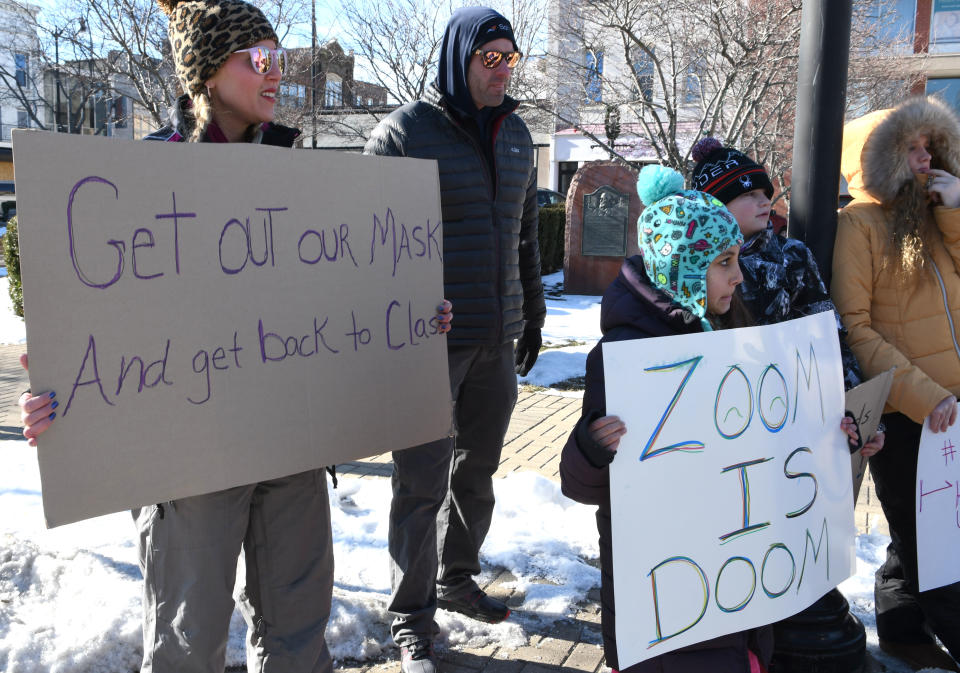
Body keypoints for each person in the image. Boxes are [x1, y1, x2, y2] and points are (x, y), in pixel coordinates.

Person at [17, 2, 454, 671]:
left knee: (299, 635)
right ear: (206, 72)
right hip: (190, 465)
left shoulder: (297, 177)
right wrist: (58, 398)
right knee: (187, 644)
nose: (277, 74)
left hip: (291, 451)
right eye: (259, 60)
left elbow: (333, 304)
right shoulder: (138, 185)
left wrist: (408, 321)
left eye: (280, 59)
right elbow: (102, 334)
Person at [559, 165, 861, 673]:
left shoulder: (739, 338)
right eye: (724, 263)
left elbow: (769, 447)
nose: (739, 276)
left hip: (736, 591)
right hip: (668, 603)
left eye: (737, 260)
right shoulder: (627, 355)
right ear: (683, 267)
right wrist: (592, 447)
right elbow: (579, 484)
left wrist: (836, 441)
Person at [363, 7, 546, 673]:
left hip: (498, 338)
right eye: (488, 58)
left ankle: (456, 577)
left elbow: (525, 235)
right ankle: (411, 619)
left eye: (509, 59)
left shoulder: (519, 136)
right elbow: (362, 239)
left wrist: (534, 311)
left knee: (479, 470)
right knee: (419, 482)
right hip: (426, 345)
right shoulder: (406, 133)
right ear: (459, 59)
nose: (501, 70)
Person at [833, 95, 960, 671]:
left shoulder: (932, 211)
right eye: (910, 147)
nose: (924, 156)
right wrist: (925, 396)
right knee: (932, 540)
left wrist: (955, 210)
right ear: (878, 157)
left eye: (929, 145)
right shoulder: (857, 224)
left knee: (920, 534)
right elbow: (855, 328)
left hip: (951, 406)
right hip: (913, 411)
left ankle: (904, 631)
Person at [690, 137, 883, 456]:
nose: (765, 201)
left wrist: (861, 412)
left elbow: (828, 336)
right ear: (714, 207)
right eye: (749, 194)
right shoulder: (692, 266)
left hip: (790, 411)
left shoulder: (791, 256)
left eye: (765, 192)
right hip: (718, 417)